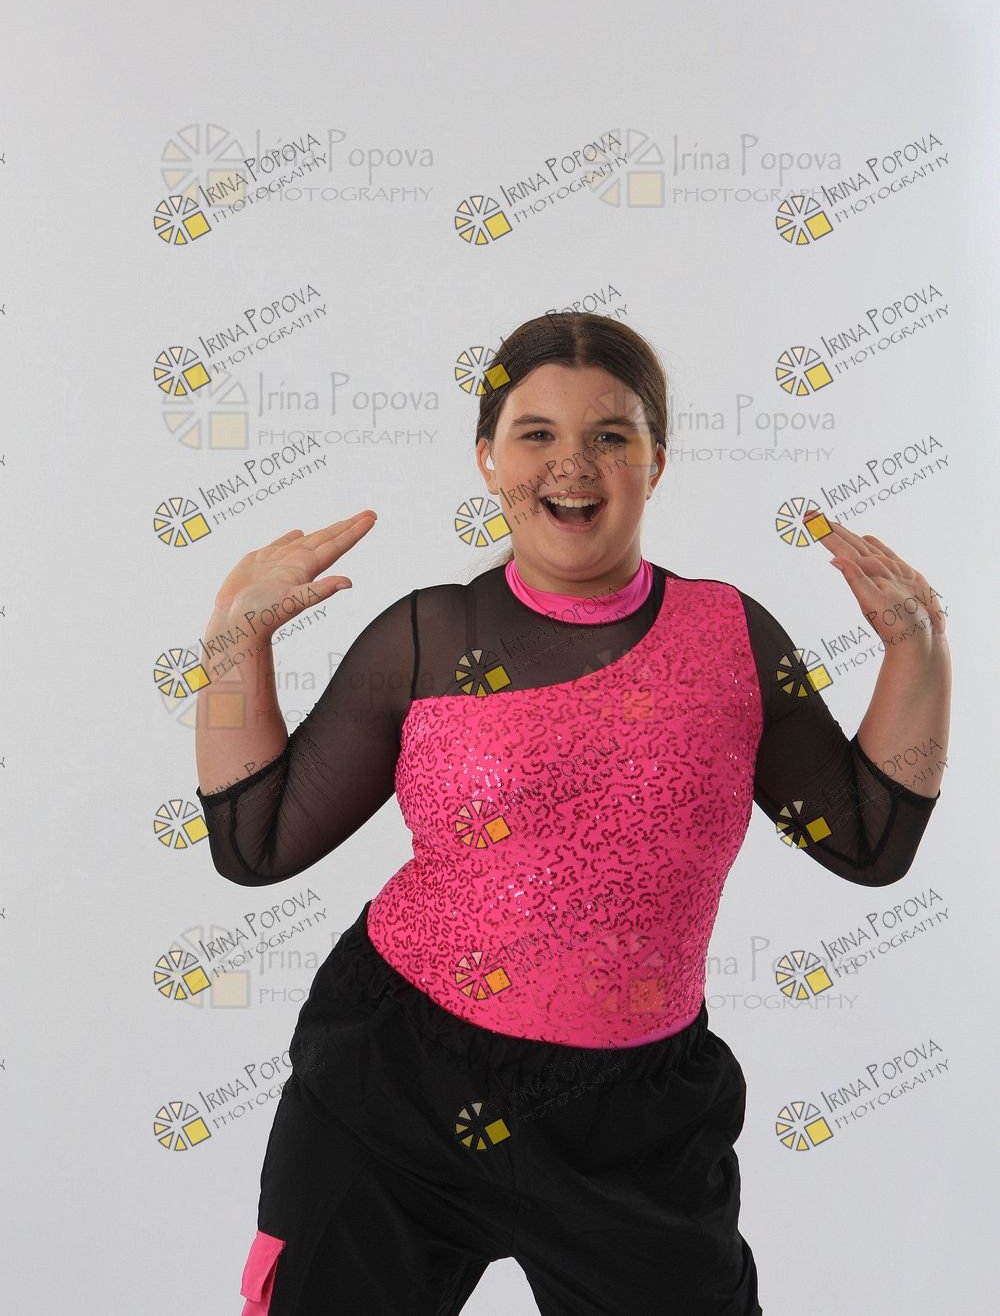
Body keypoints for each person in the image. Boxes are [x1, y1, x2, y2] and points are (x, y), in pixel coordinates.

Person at [194, 312, 951, 1316]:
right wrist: (234, 644)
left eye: (610, 435)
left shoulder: (731, 636)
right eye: (536, 433)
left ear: (657, 461)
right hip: (396, 1090)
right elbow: (254, 846)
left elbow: (867, 842)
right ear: (488, 458)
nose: (573, 464)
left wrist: (916, 648)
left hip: (635, 1131)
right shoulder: (425, 638)